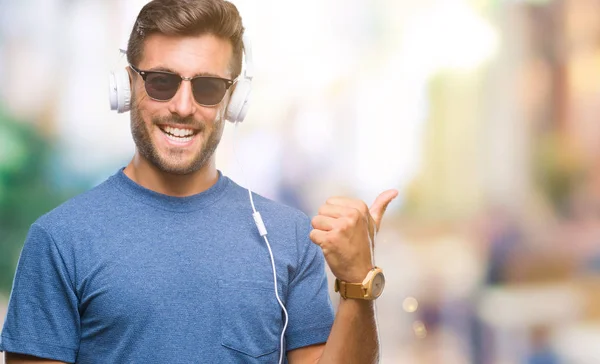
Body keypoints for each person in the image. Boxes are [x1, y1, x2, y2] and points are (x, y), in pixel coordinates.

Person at [0, 0, 397, 363]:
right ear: (127, 86)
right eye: (161, 81)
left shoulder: (288, 237)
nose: (183, 107)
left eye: (207, 87)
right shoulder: (59, 239)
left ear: (234, 99)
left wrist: (357, 283)